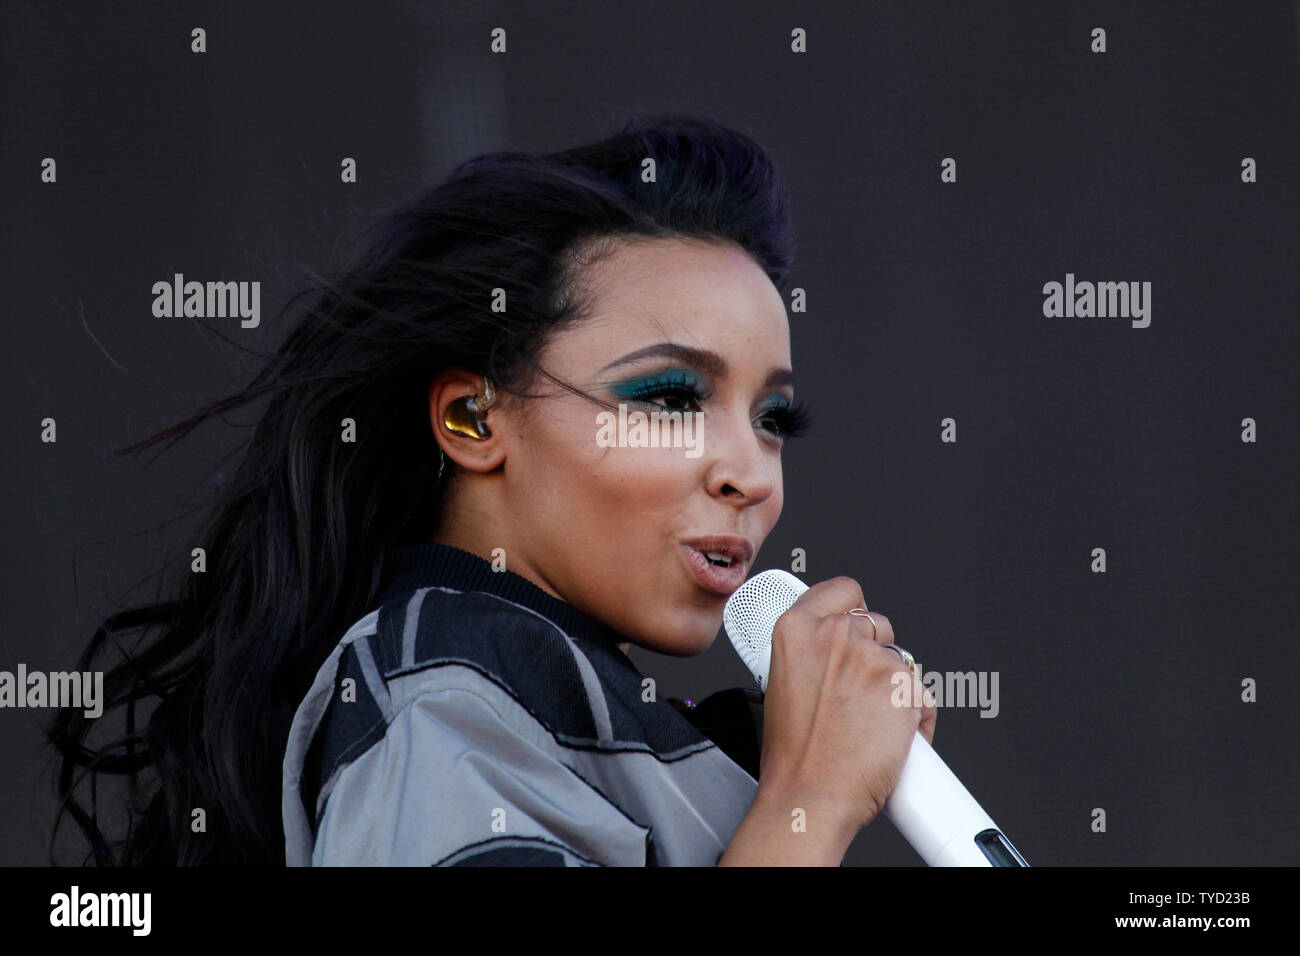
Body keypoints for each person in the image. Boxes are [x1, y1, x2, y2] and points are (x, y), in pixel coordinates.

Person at [47, 114, 936, 866]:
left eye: (773, 418)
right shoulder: (438, 705)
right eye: (670, 399)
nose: (748, 472)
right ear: (474, 417)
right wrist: (809, 800)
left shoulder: (543, 709)